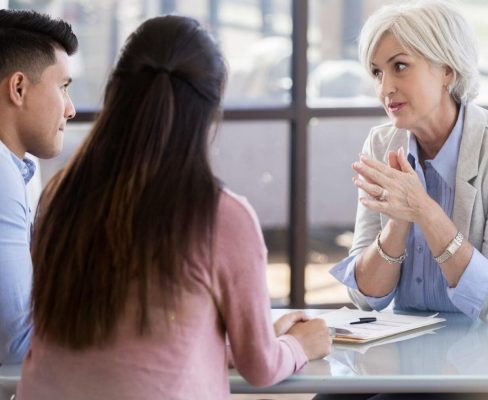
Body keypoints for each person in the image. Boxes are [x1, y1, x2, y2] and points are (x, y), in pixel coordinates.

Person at [17, 16, 330, 399]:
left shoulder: (60, 193)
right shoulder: (220, 214)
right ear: (210, 107)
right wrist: (301, 345)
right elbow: (261, 367)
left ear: (116, 93)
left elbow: (117, 346)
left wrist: (238, 343)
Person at [331, 0, 488, 323]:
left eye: (400, 66)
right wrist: (399, 221)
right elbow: (365, 297)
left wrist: (424, 210)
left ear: (447, 70)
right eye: (377, 72)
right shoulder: (382, 144)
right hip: (415, 346)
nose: (385, 88)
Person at [0, 9, 78, 365]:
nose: (71, 109)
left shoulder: (22, 167)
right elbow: (16, 343)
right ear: (18, 88)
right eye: (63, 87)